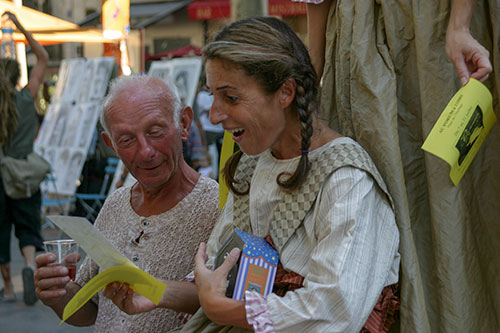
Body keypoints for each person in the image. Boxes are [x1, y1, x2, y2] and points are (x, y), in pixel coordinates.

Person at [102, 17, 400, 332]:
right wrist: (154, 292)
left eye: (231, 98)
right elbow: (220, 274)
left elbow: (335, 309)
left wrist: (228, 313)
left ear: (285, 92)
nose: (215, 115)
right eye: (213, 96)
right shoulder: (253, 164)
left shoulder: (347, 180)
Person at [295, 0, 499, 331]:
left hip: (437, 31)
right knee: (384, 200)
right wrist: (314, 64)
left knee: (462, 202)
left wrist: (460, 24)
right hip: (366, 41)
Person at [34, 75, 221, 332]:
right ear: (111, 144)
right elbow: (90, 311)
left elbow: (229, 304)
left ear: (184, 123)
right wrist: (57, 293)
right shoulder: (116, 204)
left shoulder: (218, 207)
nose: (145, 151)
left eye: (155, 132)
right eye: (126, 140)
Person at [0, 11, 48, 305]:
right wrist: (18, 26)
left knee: (1, 230)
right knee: (29, 227)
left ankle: (7, 287)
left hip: (0, 176)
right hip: (26, 174)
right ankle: (30, 266)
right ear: (19, 76)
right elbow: (42, 57)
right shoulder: (28, 97)